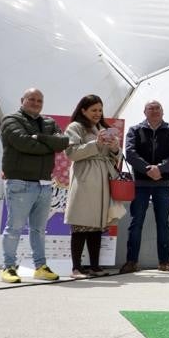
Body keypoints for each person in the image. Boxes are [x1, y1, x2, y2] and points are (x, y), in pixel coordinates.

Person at [0, 87, 68, 284]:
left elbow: (62, 143)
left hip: (44, 183)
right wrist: (49, 145)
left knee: (39, 229)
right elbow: (23, 143)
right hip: (20, 182)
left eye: (39, 100)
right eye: (32, 99)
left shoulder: (49, 122)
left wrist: (42, 139)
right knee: (15, 227)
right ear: (22, 100)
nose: (36, 103)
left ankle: (40, 267)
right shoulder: (11, 120)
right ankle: (8, 267)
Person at [63, 95, 123, 278]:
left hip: (103, 179)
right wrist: (95, 144)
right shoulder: (75, 127)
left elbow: (116, 158)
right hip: (85, 178)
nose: (98, 113)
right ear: (83, 110)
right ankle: (76, 268)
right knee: (82, 223)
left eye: (100, 110)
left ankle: (95, 266)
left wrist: (114, 148)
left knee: (97, 225)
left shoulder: (103, 128)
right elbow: (71, 153)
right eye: (93, 110)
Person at [122, 100, 169, 273]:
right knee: (136, 222)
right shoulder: (135, 130)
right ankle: (131, 261)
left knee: (163, 223)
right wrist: (148, 169)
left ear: (163, 111)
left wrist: (160, 168)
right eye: (151, 108)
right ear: (144, 111)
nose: (154, 111)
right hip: (141, 184)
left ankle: (164, 261)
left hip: (163, 184)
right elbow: (130, 153)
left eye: (157, 108)